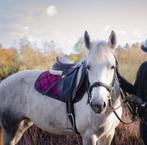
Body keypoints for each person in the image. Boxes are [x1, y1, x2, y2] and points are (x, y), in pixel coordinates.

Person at [117, 39, 147, 145]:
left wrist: (143, 103)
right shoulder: (143, 68)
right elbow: (135, 90)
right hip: (144, 122)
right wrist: (119, 78)